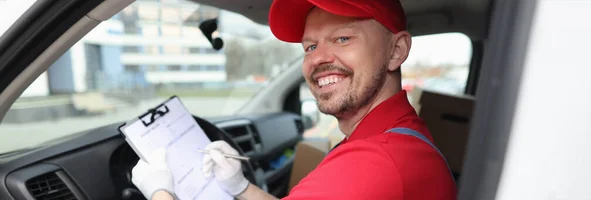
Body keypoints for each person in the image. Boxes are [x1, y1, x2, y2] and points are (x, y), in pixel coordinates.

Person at [131, 0, 457, 199]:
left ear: (396, 51)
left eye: (343, 38)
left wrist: (162, 191)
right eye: (310, 47)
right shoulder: (397, 136)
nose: (317, 59)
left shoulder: (376, 163)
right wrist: (240, 188)